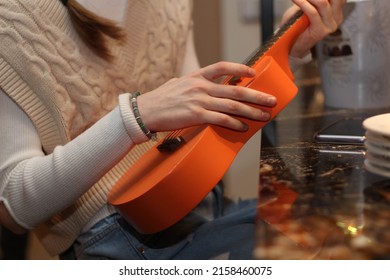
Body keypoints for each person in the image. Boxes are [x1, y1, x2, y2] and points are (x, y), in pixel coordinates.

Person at [0, 0, 345, 260]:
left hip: (201, 203)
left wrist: (290, 50)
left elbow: (198, 121)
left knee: (338, 231)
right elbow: (13, 206)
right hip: (116, 240)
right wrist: (137, 115)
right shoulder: (12, 20)